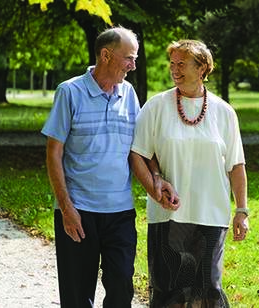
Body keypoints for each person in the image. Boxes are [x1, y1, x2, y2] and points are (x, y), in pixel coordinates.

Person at [42, 26, 174, 308]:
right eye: (129, 58)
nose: (133, 65)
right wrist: (66, 208)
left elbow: (139, 148)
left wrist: (157, 178)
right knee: (77, 295)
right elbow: (54, 154)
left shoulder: (128, 94)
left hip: (119, 212)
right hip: (79, 211)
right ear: (106, 55)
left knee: (121, 285)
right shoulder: (70, 92)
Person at [130, 39, 249, 307]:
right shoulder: (157, 106)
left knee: (208, 291)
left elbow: (236, 164)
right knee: (169, 292)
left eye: (182, 64)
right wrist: (154, 189)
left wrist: (242, 210)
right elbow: (138, 154)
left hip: (211, 215)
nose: (175, 69)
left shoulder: (224, 112)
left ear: (203, 67)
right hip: (168, 216)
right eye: (172, 63)